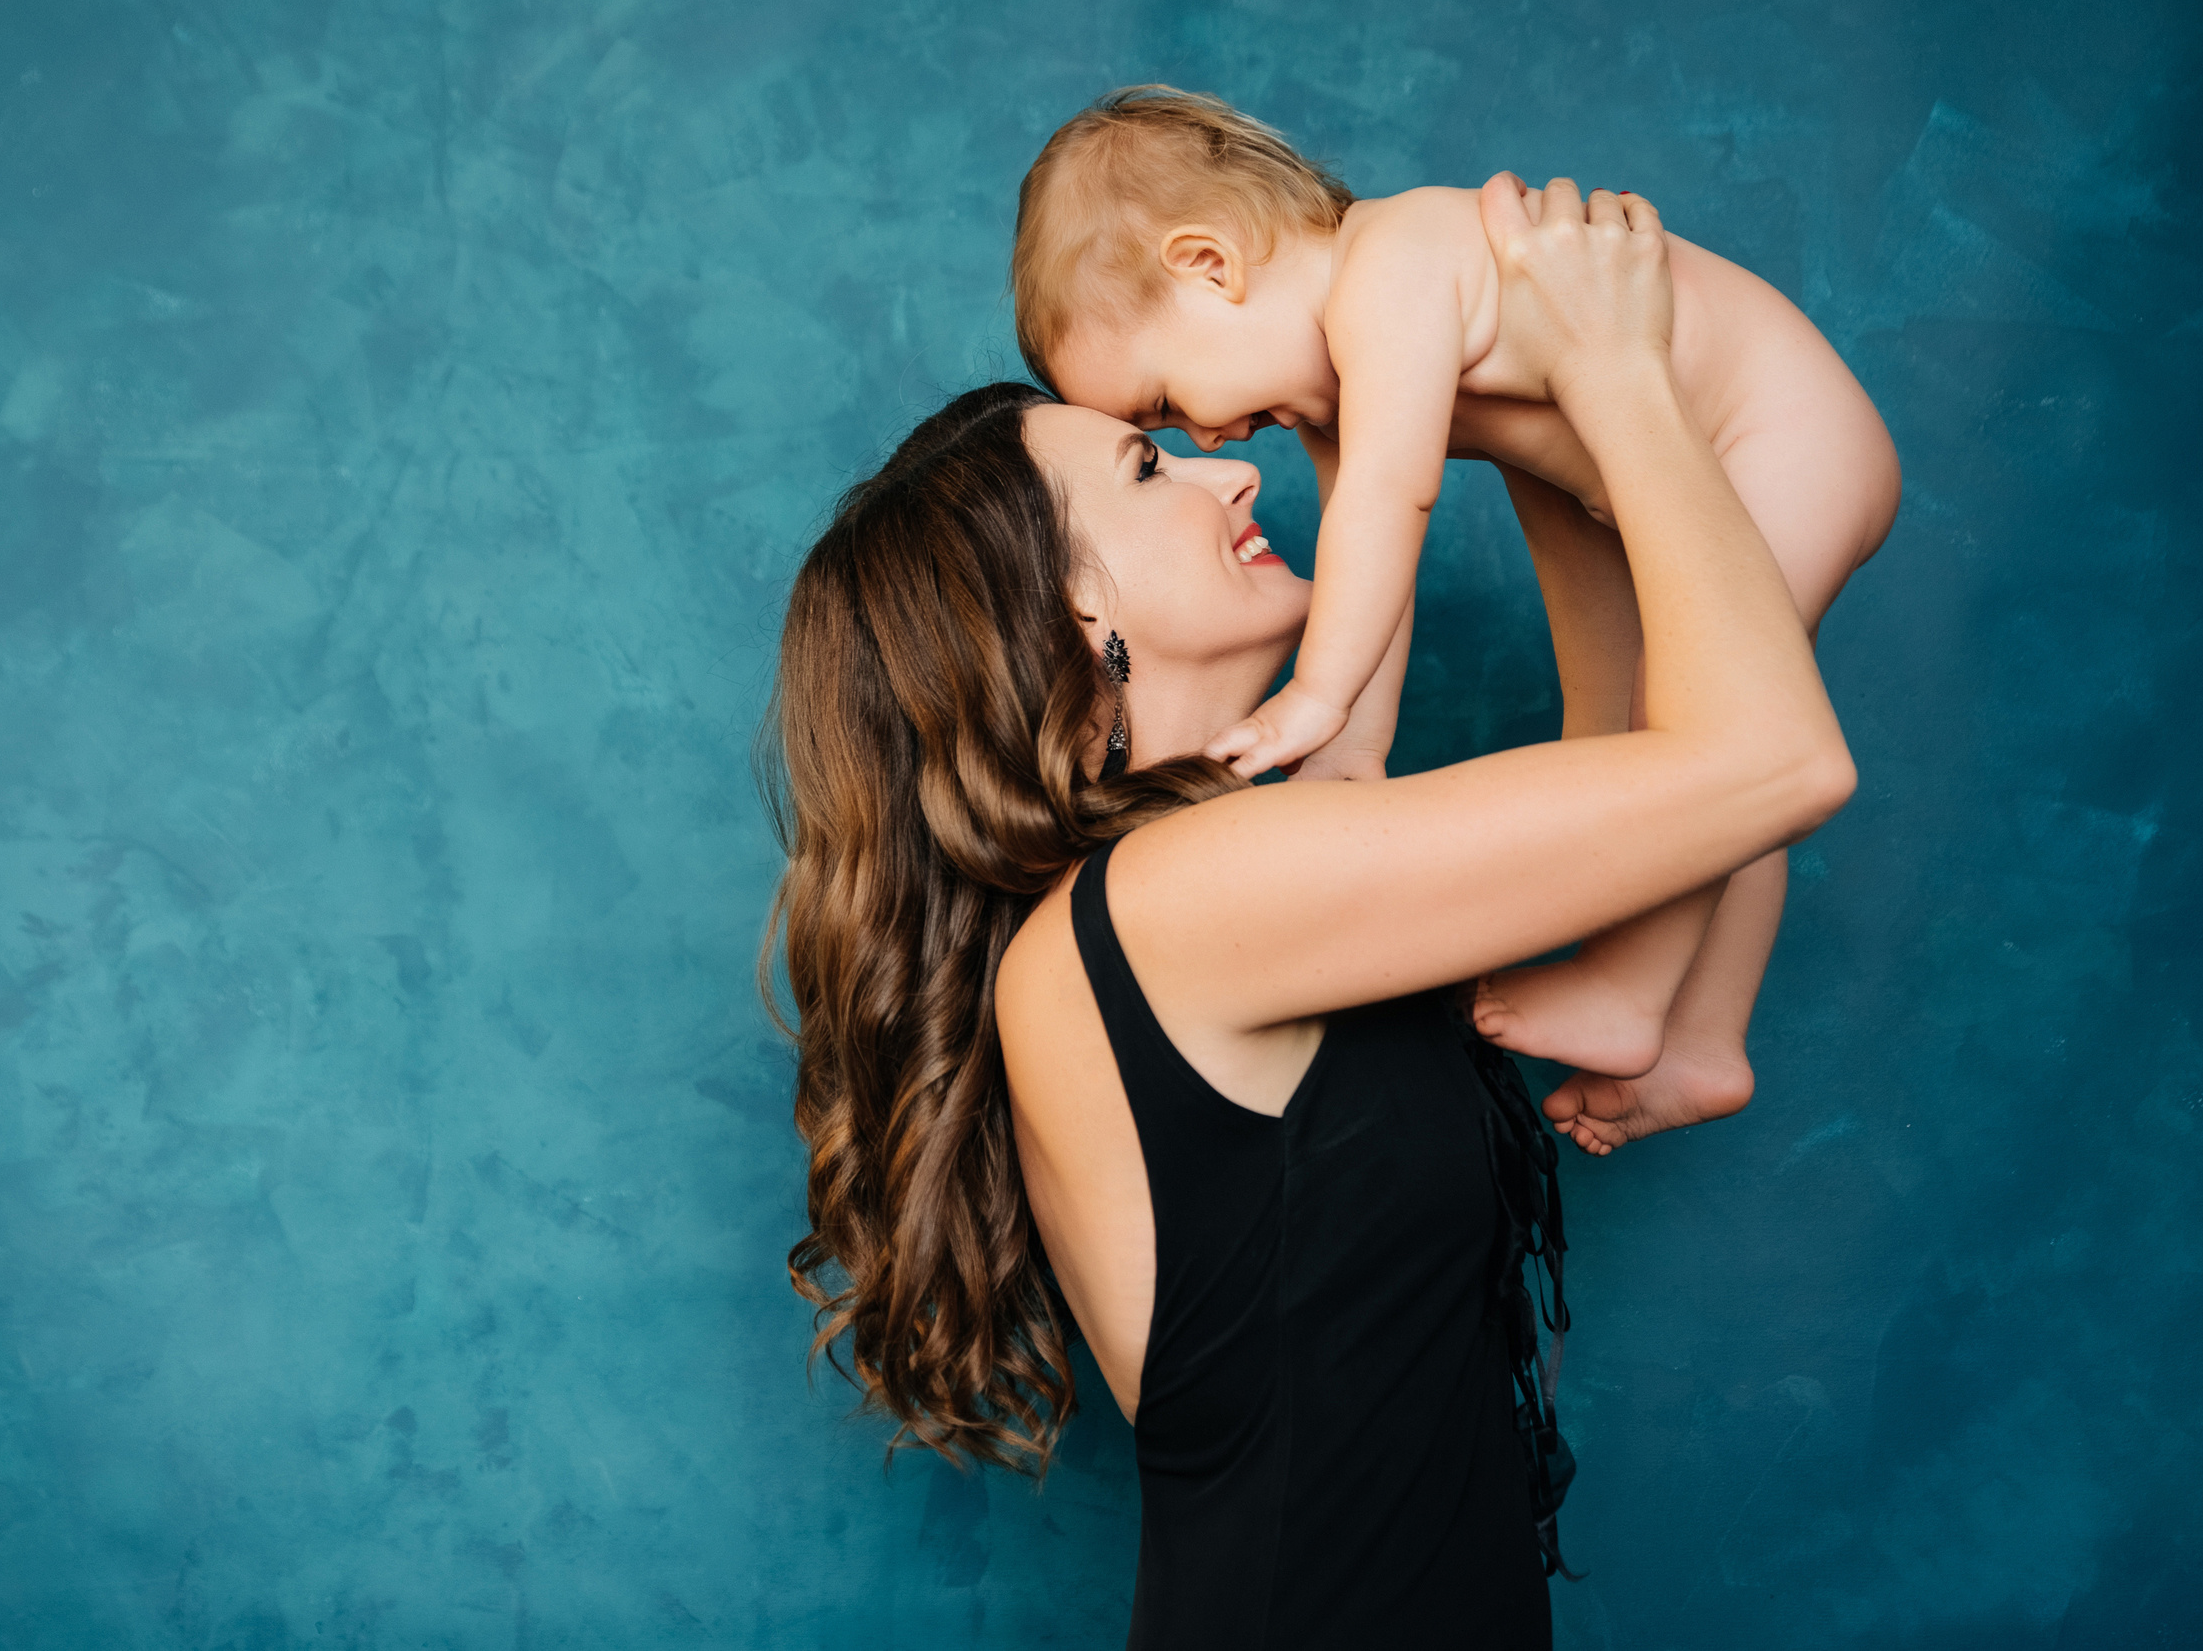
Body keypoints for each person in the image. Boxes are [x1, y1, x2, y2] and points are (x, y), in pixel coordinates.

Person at [767, 179, 1853, 1646]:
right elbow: (1773, 760)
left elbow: (1643, 758)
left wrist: (1554, 439)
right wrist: (1620, 376)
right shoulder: (1184, 900)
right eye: (1147, 472)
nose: (1229, 470)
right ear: (1075, 631)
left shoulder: (1219, 877)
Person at [1011, 85, 1898, 1154]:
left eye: (1160, 404)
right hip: (1657, 470)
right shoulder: (1329, 384)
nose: (1206, 437)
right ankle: (1703, 1038)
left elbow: (1395, 499)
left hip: (1780, 435)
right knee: (1675, 750)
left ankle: (1630, 987)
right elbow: (1362, 555)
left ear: (1209, 264)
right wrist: (1350, 758)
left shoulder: (1394, 260)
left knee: (1699, 726)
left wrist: (1317, 694)